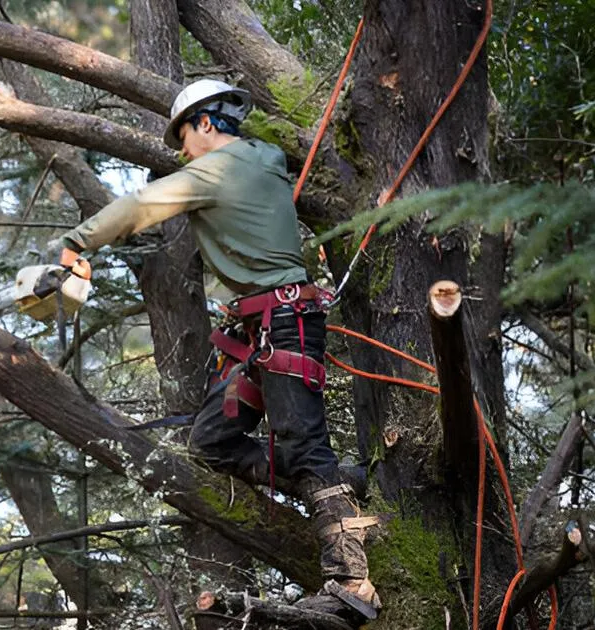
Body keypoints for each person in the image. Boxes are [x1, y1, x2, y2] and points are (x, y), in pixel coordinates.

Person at [55, 79, 380, 612]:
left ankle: (350, 581)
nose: (180, 151)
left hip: (283, 323)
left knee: (302, 443)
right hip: (265, 328)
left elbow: (140, 205)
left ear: (206, 123)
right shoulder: (265, 158)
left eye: (183, 136)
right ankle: (337, 489)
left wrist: (76, 242)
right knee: (212, 441)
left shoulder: (213, 170)